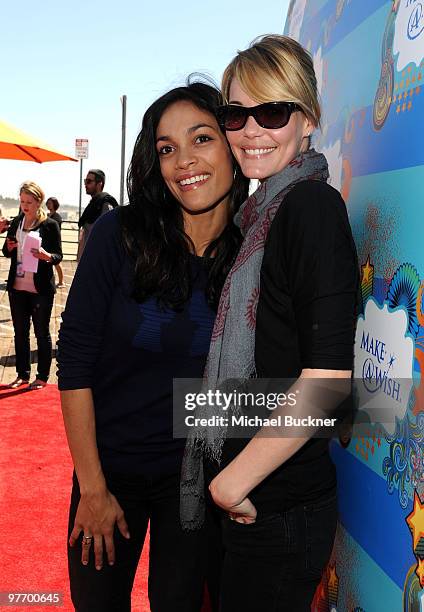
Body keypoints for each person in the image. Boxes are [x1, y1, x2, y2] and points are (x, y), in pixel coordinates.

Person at [181, 35, 359, 611]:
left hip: (278, 511)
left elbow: (328, 381)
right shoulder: (263, 212)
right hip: (260, 503)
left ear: (306, 119)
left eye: (273, 111)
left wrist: (230, 483)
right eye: (237, 114)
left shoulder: (309, 208)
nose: (251, 130)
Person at [57, 79, 248, 612]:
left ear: (233, 145)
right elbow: (73, 363)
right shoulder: (120, 234)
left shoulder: (251, 254)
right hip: (107, 469)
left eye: (202, 139)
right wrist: (92, 489)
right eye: (167, 148)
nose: (184, 161)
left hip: (193, 480)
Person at [2, 181, 62, 390]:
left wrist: (47, 256)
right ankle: (22, 374)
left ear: (39, 202)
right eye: (22, 201)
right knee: (20, 333)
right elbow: (6, 251)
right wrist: (9, 247)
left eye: (29, 201)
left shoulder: (49, 225)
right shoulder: (16, 222)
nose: (24, 205)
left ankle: (42, 376)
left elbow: (57, 255)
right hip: (17, 286)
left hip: (40, 289)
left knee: (42, 332)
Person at [77, 169, 118, 260]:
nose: (85, 185)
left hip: (96, 259)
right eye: (85, 181)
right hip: (86, 259)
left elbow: (109, 233)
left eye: (89, 181)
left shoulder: (105, 203)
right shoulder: (93, 204)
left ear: (100, 184)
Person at [46, 197, 65, 288]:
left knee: (56, 263)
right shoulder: (48, 215)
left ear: (55, 204)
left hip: (53, 242)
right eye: (48, 203)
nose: (48, 204)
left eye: (50, 203)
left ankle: (61, 282)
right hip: (47, 241)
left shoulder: (57, 217)